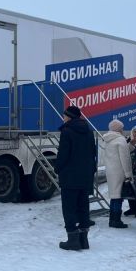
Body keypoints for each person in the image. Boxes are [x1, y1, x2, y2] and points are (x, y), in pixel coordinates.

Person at [55, 105, 97, 251]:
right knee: (83, 207)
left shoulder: (67, 131)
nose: (63, 117)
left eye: (65, 115)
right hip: (85, 177)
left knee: (69, 208)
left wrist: (57, 168)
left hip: (70, 177)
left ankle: (72, 239)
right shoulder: (89, 131)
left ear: (70, 116)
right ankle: (84, 240)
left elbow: (63, 154)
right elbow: (93, 154)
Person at [102, 119, 133, 229]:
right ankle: (116, 220)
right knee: (119, 196)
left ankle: (112, 219)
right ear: (119, 129)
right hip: (119, 171)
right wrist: (128, 173)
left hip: (111, 171)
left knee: (114, 196)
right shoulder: (120, 139)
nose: (123, 129)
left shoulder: (108, 139)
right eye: (122, 128)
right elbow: (125, 158)